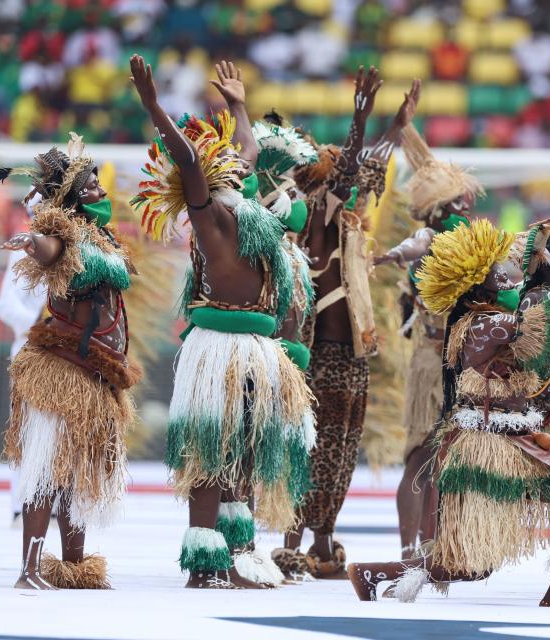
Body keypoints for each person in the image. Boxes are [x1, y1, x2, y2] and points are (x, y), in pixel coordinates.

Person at [347, 218, 550, 607]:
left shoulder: (496, 320)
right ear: (477, 289)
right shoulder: (491, 325)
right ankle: (374, 573)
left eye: (508, 276)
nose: (510, 283)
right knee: (472, 568)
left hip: (521, 439)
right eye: (500, 279)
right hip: (489, 446)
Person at [130, 56, 315, 589]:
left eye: (240, 163)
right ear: (210, 180)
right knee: (211, 451)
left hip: (258, 346)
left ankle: (236, 556)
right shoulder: (210, 215)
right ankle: (203, 564)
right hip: (218, 348)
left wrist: (238, 104)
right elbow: (188, 158)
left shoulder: (251, 211)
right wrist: (152, 107)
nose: (241, 164)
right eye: (228, 164)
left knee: (245, 454)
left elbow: (249, 150)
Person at [275, 71, 420, 580]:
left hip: (351, 355)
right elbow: (350, 171)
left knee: (339, 454)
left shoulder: (349, 225)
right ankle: (290, 543)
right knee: (308, 448)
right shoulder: (316, 217)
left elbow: (368, 166)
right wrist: (360, 120)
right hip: (316, 355)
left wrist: (396, 127)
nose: (361, 196)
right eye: (351, 187)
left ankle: (321, 541)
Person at [0, 134, 140, 590]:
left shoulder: (99, 235)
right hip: (61, 371)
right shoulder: (64, 231)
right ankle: (29, 570)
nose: (100, 190)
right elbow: (49, 247)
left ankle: (73, 567)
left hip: (94, 372)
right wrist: (33, 242)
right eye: (92, 185)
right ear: (74, 195)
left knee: (77, 470)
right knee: (47, 469)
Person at [371, 113, 485, 560]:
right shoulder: (431, 239)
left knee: (444, 460)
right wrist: (390, 256)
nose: (467, 211)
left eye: (467, 204)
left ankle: (434, 545)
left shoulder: (475, 248)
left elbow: (430, 172)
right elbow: (414, 245)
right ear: (439, 212)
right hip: (430, 359)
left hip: (462, 364)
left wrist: (407, 132)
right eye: (459, 205)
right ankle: (407, 548)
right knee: (419, 456)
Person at [0, 193, 47, 524]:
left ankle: (57, 501)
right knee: (25, 426)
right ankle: (22, 502)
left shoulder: (76, 253)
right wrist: (38, 327)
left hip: (67, 354)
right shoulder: (21, 254)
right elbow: (5, 306)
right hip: (30, 351)